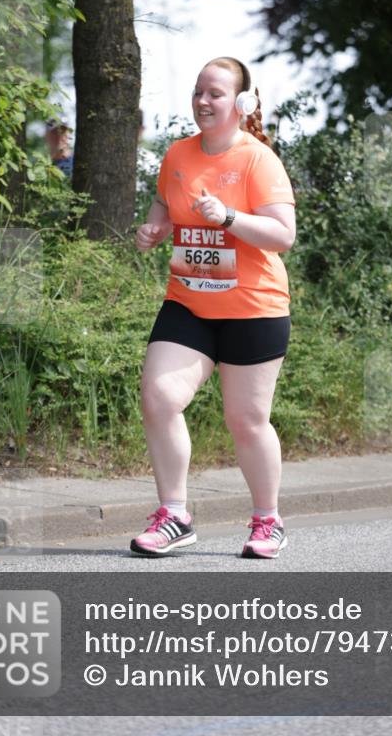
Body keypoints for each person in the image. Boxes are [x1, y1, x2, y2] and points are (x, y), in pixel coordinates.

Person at [132, 56, 296, 559]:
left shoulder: (257, 160)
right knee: (159, 399)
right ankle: (174, 515)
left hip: (254, 308)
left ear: (241, 104)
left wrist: (228, 217)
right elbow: (165, 205)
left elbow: (282, 235)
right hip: (189, 302)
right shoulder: (178, 155)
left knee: (245, 421)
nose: (203, 101)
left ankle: (268, 520)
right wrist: (155, 229)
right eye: (198, 92)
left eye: (215, 94)